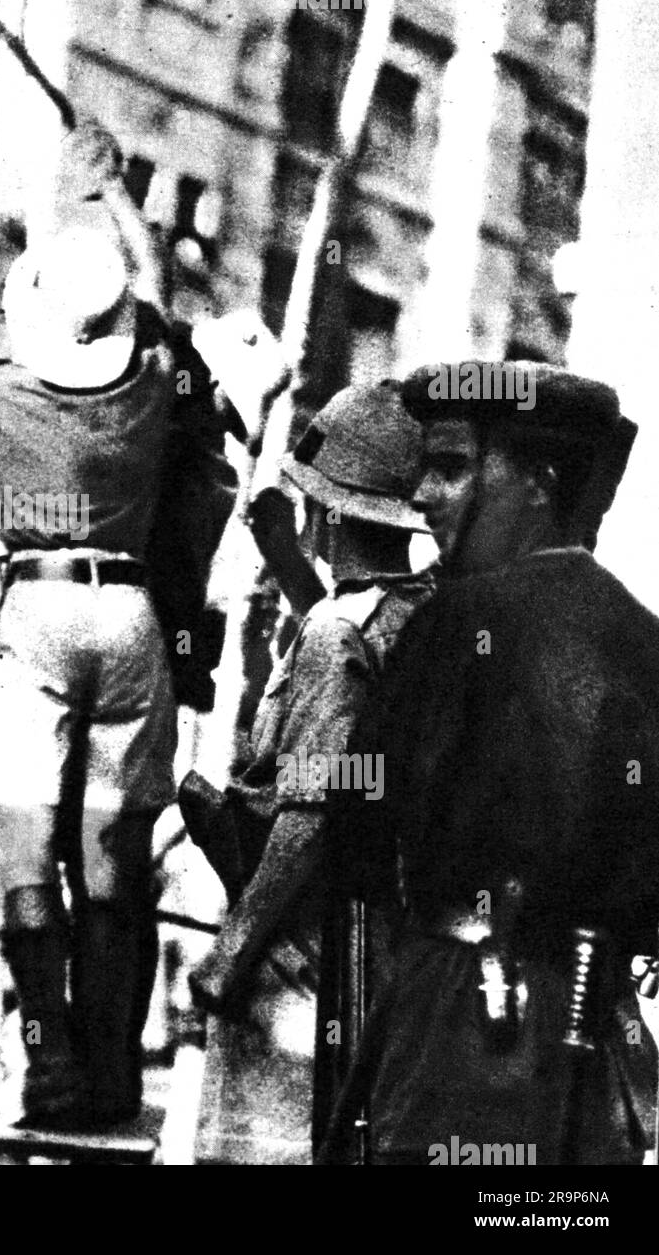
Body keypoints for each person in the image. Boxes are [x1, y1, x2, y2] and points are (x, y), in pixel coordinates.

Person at [323, 360, 658, 1165]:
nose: (422, 496)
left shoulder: (457, 619)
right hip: (597, 1040)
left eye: (450, 467)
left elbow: (356, 825)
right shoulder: (647, 642)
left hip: (458, 1014)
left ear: (538, 482)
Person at [0, 154, 178, 1128]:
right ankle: (109, 1076)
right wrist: (111, 193)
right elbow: (150, 285)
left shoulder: (5, 393)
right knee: (113, 865)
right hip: (132, 619)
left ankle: (49, 1058)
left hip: (39, 611)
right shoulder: (148, 380)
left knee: (25, 852)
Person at [182, 380, 434, 1163]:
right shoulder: (424, 606)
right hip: (375, 933)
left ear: (326, 512)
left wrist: (234, 949)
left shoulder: (334, 632)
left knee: (264, 1146)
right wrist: (289, 566)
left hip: (298, 934)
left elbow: (310, 808)